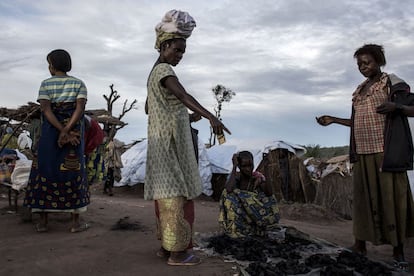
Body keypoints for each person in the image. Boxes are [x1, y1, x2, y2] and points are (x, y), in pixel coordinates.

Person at [316, 44, 414, 272]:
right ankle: (360, 245)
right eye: (359, 64)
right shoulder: (360, 91)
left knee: (391, 201)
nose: (363, 67)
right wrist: (334, 120)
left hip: (385, 152)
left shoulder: (392, 83)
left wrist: (396, 106)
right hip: (361, 152)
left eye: (367, 62)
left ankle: (398, 251)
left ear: (379, 61)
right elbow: (358, 122)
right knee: (362, 201)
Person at [145, 9, 231, 266]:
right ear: (165, 45)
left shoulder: (154, 73)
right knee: (176, 196)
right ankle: (178, 253)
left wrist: (185, 118)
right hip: (169, 145)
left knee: (166, 195)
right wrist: (210, 117)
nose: (180, 55)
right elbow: (183, 97)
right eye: (177, 49)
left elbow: (153, 107)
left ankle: (166, 247)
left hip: (161, 143)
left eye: (183, 51)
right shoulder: (164, 73)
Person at [23, 49, 90, 233]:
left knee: (44, 171)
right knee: (73, 172)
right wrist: (68, 130)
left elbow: (46, 110)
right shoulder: (79, 84)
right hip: (74, 134)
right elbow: (80, 108)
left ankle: (44, 223)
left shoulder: (45, 84)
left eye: (49, 64)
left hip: (50, 135)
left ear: (52, 65)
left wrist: (60, 131)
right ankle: (75, 223)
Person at [219, 151, 280, 238]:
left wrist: (266, 167)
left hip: (255, 217)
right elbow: (228, 190)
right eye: (244, 166)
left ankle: (259, 226)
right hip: (241, 215)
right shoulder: (236, 178)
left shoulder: (257, 178)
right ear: (239, 166)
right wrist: (234, 166)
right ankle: (238, 227)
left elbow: (270, 194)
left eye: (250, 165)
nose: (248, 169)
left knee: (269, 199)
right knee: (228, 196)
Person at [103, 132, 124, 196]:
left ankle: (108, 188)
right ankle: (109, 189)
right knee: (110, 176)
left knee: (110, 176)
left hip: (111, 163)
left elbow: (121, 145)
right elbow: (107, 153)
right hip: (108, 163)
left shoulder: (114, 142)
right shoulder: (106, 143)